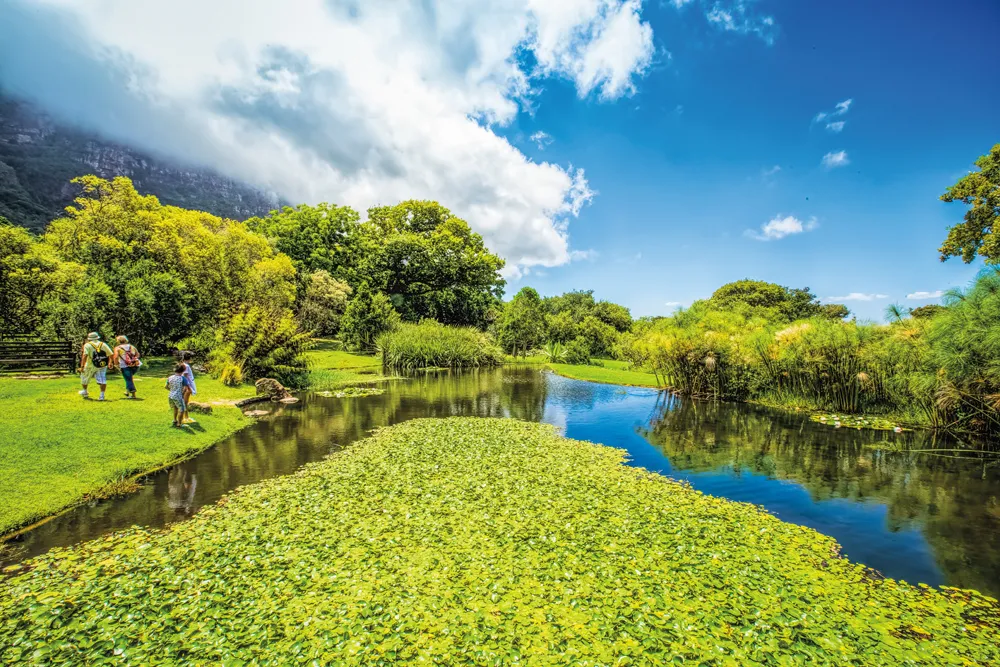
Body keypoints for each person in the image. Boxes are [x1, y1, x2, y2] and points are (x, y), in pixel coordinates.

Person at [78, 332, 114, 401]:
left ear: (89, 339)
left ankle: (85, 391)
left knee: (85, 378)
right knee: (102, 379)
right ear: (97, 337)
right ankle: (102, 396)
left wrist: (82, 366)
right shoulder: (103, 344)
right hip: (102, 364)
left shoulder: (87, 345)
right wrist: (110, 362)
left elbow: (85, 355)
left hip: (90, 365)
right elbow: (111, 354)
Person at [165, 363, 188, 427]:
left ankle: (175, 420)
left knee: (175, 408)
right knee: (181, 410)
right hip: (178, 396)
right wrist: (182, 394)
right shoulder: (183, 378)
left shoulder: (170, 377)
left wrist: (172, 390)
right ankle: (179, 423)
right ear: (183, 371)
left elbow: (166, 387)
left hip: (171, 396)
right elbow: (185, 388)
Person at [179, 351, 197, 424]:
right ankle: (184, 418)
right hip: (187, 386)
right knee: (185, 402)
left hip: (186, 385)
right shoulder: (186, 366)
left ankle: (186, 417)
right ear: (189, 359)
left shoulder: (183, 365)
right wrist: (187, 387)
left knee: (185, 402)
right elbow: (185, 376)